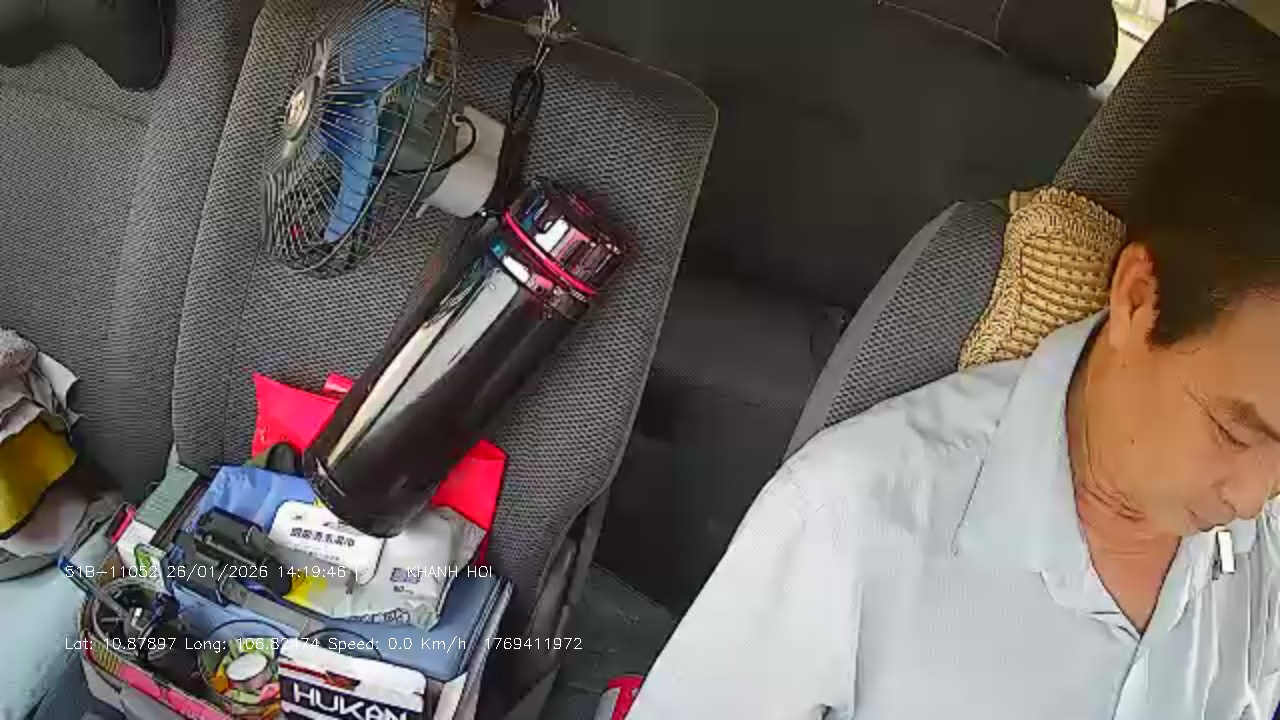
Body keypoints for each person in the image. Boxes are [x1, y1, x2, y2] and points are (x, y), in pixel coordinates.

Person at [627, 90, 1280, 720]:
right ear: (1139, 299)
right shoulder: (849, 518)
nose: (1252, 500)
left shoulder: (1264, 554)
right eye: (1233, 430)